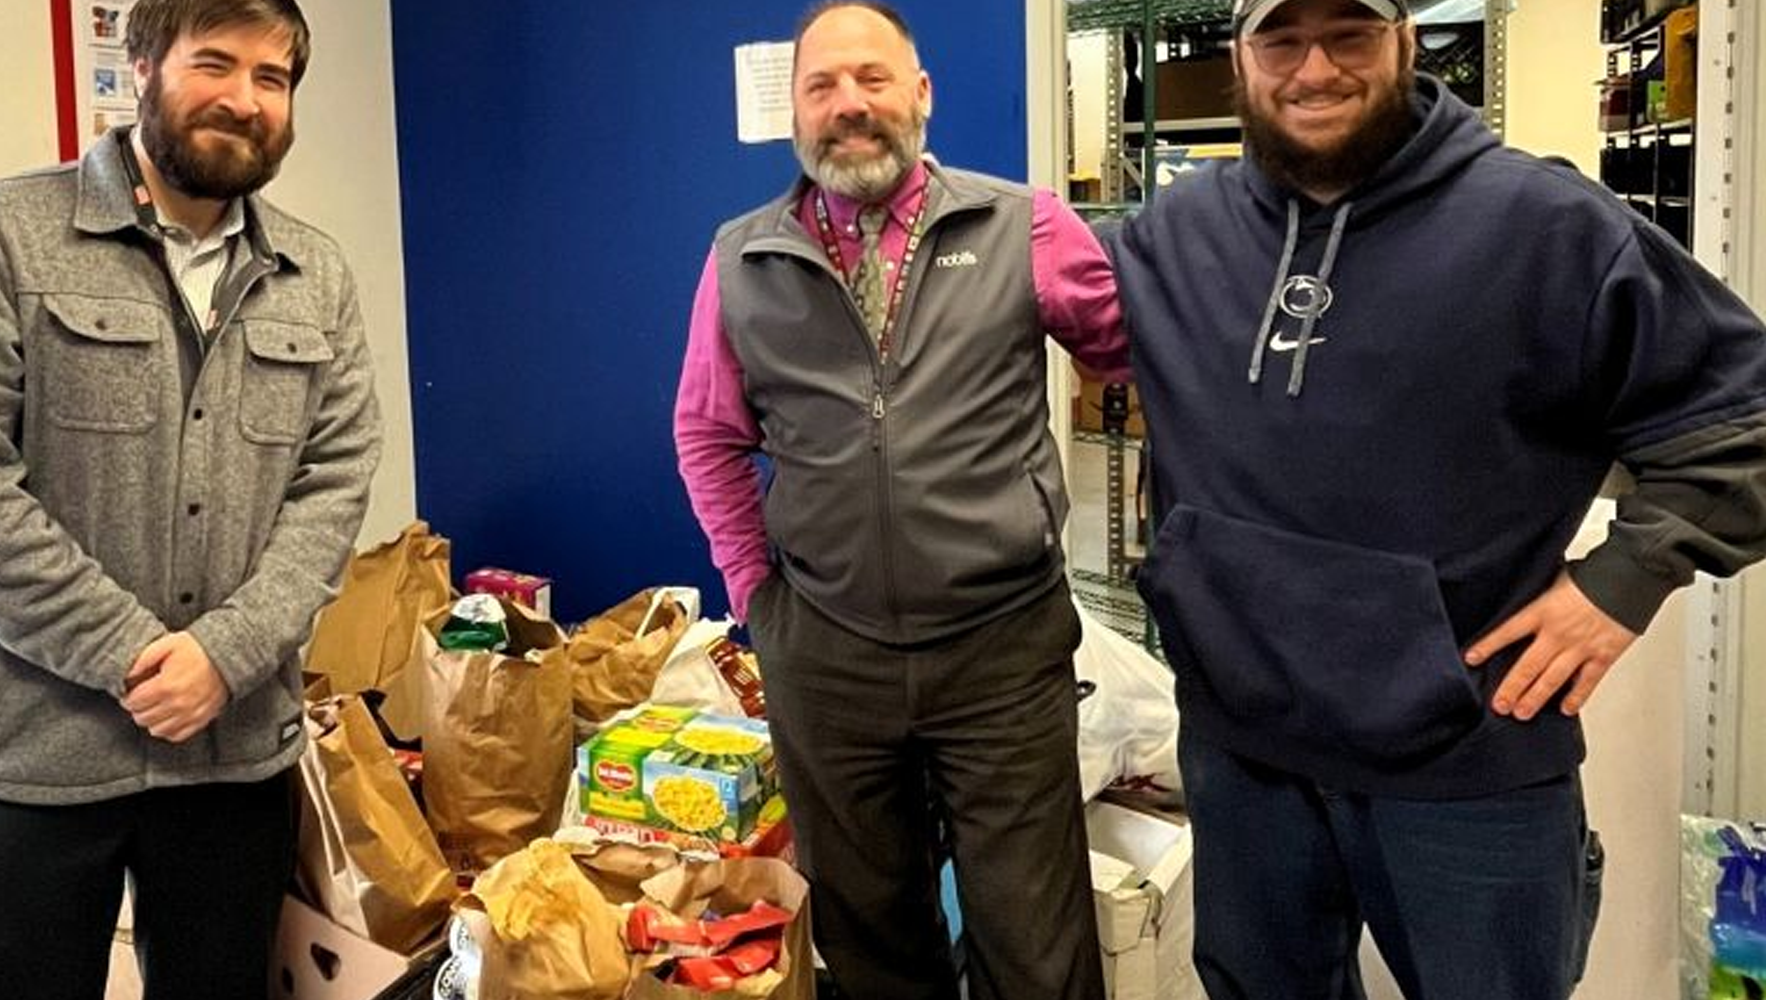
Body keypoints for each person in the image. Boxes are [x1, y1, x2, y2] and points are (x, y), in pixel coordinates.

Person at [1106, 0, 1766, 997]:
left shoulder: (1545, 226)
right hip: (1243, 757)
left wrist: (1620, 582)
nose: (1313, 68)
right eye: (1279, 38)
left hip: (1468, 758)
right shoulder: (1171, 233)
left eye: (1349, 34)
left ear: (1405, 40)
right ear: (1238, 56)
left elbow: (1745, 418)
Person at [0, 1, 381, 996]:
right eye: (213, 63)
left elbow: (335, 480)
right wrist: (131, 655)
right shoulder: (0, 234)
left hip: (232, 756)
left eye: (273, 77)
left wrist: (225, 652)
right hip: (23, 753)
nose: (244, 99)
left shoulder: (317, 273)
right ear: (140, 67)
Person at [673, 3, 1127, 997]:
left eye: (872, 80)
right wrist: (758, 597)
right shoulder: (740, 258)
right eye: (822, 86)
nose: (849, 106)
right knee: (875, 946)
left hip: (1000, 649)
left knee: (1036, 950)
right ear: (791, 110)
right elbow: (706, 434)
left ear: (919, 95)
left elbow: (1134, 355)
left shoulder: (1022, 224)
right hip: (827, 657)